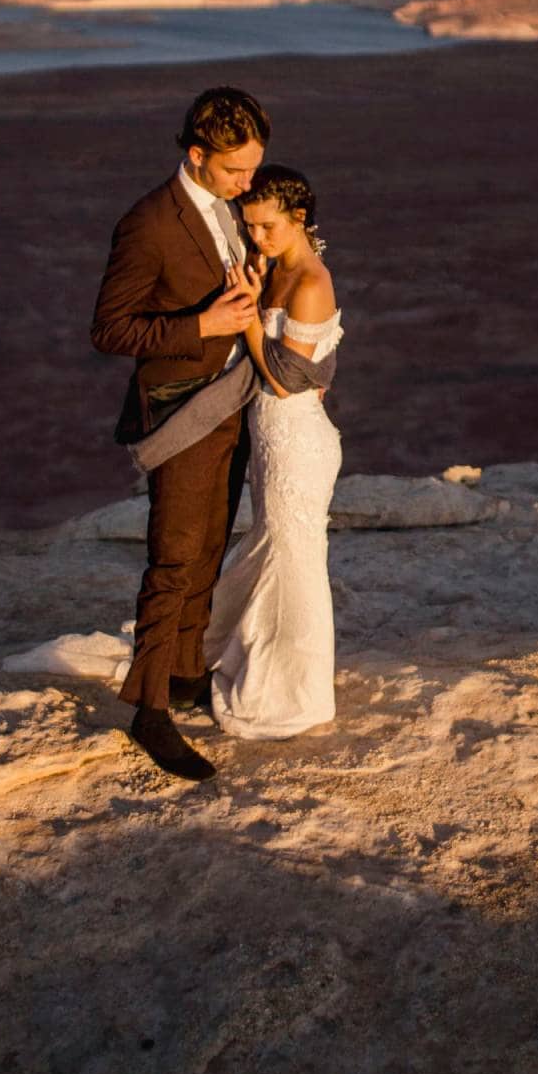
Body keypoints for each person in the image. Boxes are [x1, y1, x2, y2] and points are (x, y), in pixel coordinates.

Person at [90, 86, 270, 780]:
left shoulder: (227, 207)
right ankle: (149, 711)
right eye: (233, 172)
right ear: (196, 155)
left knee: (208, 549)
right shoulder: (149, 223)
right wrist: (201, 325)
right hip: (180, 409)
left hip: (232, 402)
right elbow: (109, 328)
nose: (246, 185)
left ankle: (186, 671)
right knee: (173, 557)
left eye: (252, 169)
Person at [204, 165, 343, 739]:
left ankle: (297, 694)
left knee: (297, 562)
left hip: (297, 442)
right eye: (249, 226)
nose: (255, 237)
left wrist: (252, 319)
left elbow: (288, 380)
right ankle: (254, 652)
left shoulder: (309, 282)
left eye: (267, 227)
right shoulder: (280, 267)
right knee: (273, 549)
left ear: (299, 219)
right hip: (272, 438)